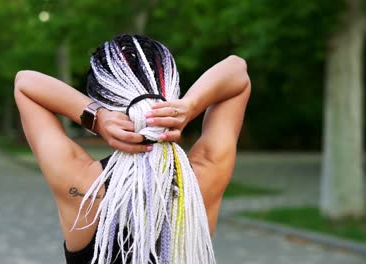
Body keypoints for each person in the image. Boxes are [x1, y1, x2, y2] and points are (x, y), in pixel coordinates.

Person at [14, 34, 250, 264]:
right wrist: (190, 106)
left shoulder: (83, 185)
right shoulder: (203, 177)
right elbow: (237, 70)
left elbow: (25, 83)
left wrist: (97, 117)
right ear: (170, 91)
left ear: (105, 99)